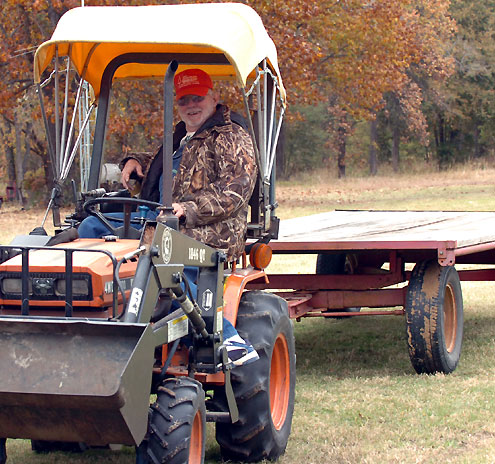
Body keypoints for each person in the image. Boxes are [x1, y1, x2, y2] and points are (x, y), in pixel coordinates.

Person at [79, 68, 259, 367]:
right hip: (157, 217)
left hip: (206, 228)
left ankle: (227, 337)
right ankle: (100, 311)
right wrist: (135, 162)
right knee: (91, 225)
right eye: (184, 99)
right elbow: (170, 164)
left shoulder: (231, 137)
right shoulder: (181, 135)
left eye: (197, 97)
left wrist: (186, 209)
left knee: (162, 250)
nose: (191, 105)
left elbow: (236, 190)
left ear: (214, 97)